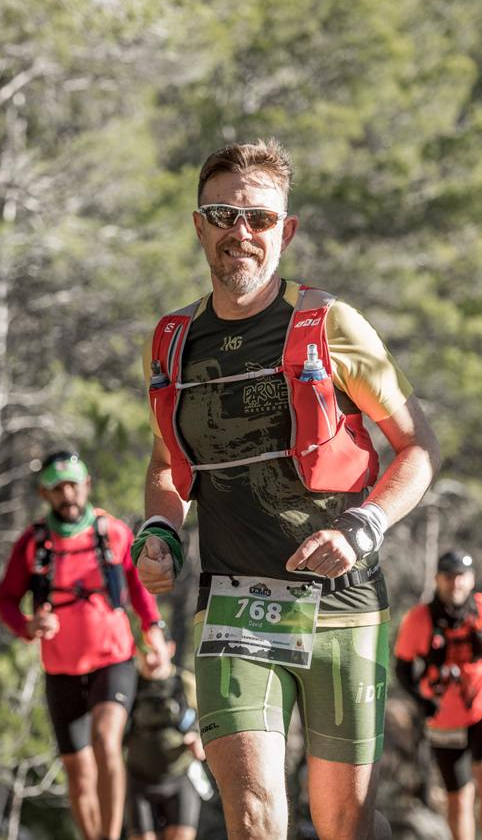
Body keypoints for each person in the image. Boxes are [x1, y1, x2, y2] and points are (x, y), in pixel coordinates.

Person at [133, 139, 441, 840]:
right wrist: (159, 532)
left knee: (344, 825)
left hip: (344, 607)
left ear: (286, 230)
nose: (241, 232)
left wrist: (365, 525)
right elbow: (164, 468)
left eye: (260, 219)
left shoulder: (330, 325)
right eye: (223, 215)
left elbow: (419, 447)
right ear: (199, 225)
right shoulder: (173, 343)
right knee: (251, 817)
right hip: (235, 608)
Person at [0, 451, 173, 840]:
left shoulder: (113, 533)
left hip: (113, 658)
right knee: (78, 772)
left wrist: (154, 629)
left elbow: (138, 586)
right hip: (60, 667)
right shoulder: (33, 543)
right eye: (58, 488)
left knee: (107, 741)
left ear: (87, 484)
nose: (68, 495)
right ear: (45, 494)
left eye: (73, 485)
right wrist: (29, 625)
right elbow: (6, 600)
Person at [393, 550, 482, 840]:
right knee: (459, 796)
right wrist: (423, 701)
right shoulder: (419, 619)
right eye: (449, 577)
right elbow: (403, 668)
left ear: (472, 579)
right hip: (444, 714)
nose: (456, 583)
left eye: (461, 576)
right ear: (438, 579)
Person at [124, 634, 209, 840]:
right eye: (144, 653)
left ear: (170, 649)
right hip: (138, 780)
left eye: (155, 652)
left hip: (180, 778)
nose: (150, 659)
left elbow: (209, 720)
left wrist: (199, 740)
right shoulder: (129, 685)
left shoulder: (186, 683)